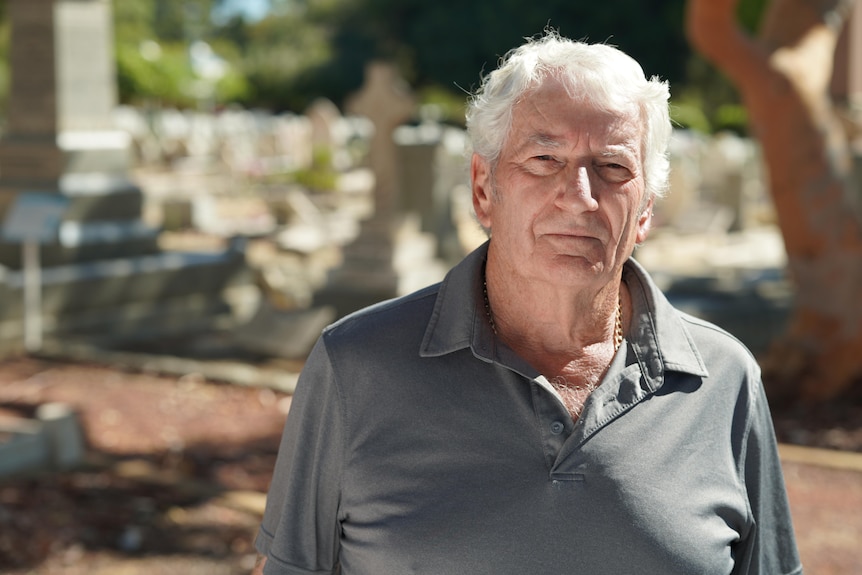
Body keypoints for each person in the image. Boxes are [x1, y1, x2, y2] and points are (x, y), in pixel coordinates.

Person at [252, 31, 802, 575]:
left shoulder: (724, 380)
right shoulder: (353, 366)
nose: (580, 196)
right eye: (544, 158)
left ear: (645, 211)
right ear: (483, 189)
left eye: (613, 167)